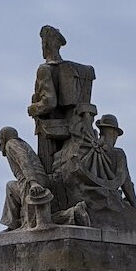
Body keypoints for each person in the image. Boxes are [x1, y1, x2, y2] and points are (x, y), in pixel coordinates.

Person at [28, 26, 95, 173]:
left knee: (49, 172)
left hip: (49, 128)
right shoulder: (74, 69)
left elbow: (49, 102)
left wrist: (32, 108)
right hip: (74, 128)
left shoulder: (44, 69)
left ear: (45, 44)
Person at [0, 127, 51, 230]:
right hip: (34, 179)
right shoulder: (20, 143)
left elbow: (24, 161)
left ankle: (27, 225)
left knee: (31, 221)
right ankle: (13, 224)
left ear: (3, 137)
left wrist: (33, 182)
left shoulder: (11, 144)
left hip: (31, 180)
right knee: (11, 186)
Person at [95, 114, 136, 212]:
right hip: (109, 198)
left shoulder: (93, 148)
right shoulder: (118, 154)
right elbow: (126, 183)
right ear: (113, 133)